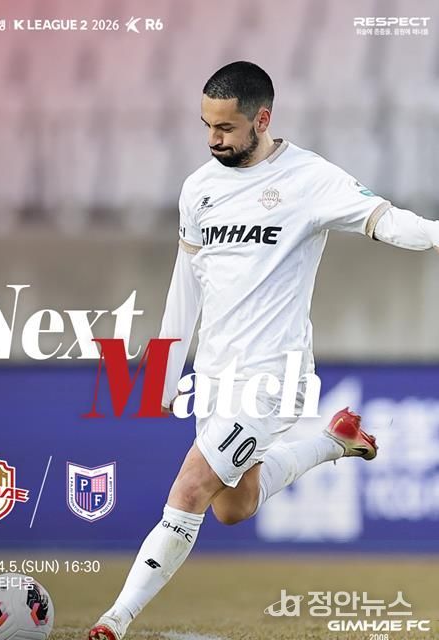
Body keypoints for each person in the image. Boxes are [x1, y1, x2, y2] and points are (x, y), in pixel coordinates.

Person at [89, 61, 439, 640]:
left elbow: (389, 221)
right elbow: (185, 286)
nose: (213, 139)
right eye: (206, 125)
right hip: (216, 374)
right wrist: (165, 373)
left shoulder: (310, 179)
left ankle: (113, 620)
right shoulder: (199, 189)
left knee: (190, 489)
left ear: (262, 119)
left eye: (225, 128)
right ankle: (335, 441)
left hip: (272, 376)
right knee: (232, 506)